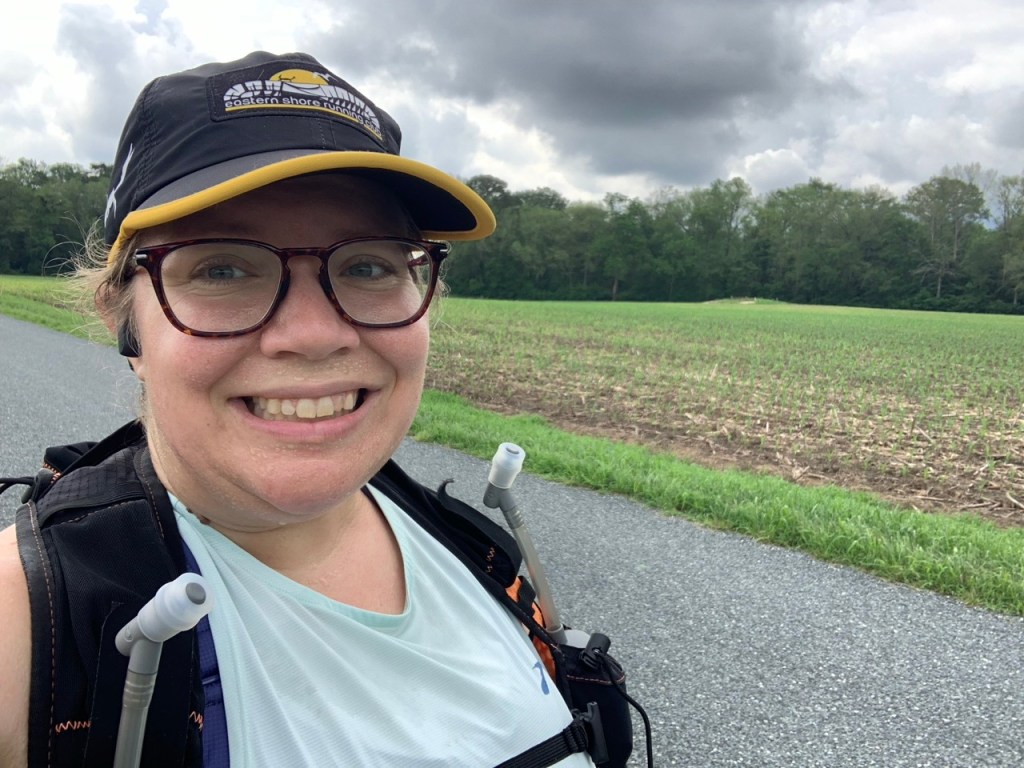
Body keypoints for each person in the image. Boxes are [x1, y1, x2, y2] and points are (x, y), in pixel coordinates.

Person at [0, 51, 606, 767]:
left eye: (369, 265)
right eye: (222, 267)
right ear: (126, 322)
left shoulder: (471, 548)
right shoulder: (32, 632)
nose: (315, 334)